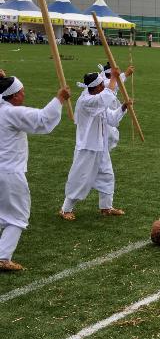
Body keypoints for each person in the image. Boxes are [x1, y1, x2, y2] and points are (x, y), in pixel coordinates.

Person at [0, 76, 69, 271]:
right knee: (18, 215)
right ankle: (3, 257)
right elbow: (42, 120)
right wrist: (60, 99)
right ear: (12, 96)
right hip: (9, 172)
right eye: (21, 91)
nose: (24, 94)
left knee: (5, 212)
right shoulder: (11, 113)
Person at [59, 71, 130, 221]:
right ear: (96, 88)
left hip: (101, 146)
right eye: (101, 85)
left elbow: (111, 119)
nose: (104, 87)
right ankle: (65, 209)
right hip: (87, 147)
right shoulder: (86, 101)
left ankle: (106, 207)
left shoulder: (98, 100)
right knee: (80, 178)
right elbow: (106, 96)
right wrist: (114, 78)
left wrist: (123, 107)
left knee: (107, 175)